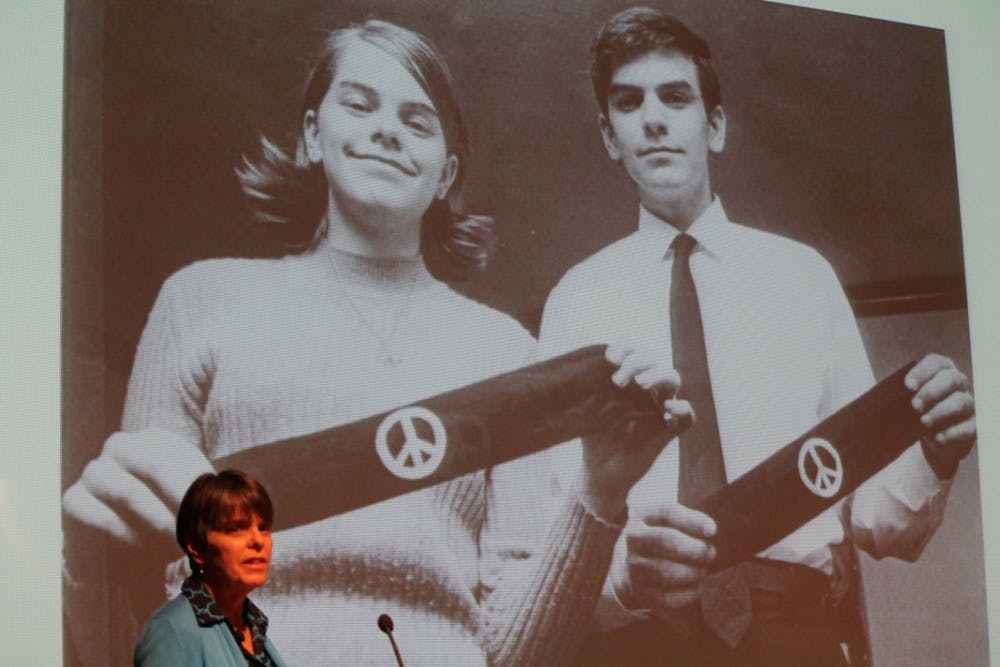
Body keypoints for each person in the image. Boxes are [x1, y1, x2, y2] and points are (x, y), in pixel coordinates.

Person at [62, 19, 686, 666]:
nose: (388, 130)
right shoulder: (201, 300)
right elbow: (143, 585)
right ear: (312, 136)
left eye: (418, 122)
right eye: (360, 105)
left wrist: (600, 494)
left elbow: (512, 650)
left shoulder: (506, 352)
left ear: (445, 175)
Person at [536, 7, 978, 666]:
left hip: (792, 632)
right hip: (636, 640)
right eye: (628, 103)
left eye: (675, 97)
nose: (652, 119)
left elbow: (876, 521)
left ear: (714, 126)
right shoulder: (576, 299)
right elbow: (558, 524)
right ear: (609, 136)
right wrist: (624, 585)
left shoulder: (803, 276)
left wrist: (936, 454)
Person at [134, 470, 287, 666]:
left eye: (263, 527)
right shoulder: (171, 630)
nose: (258, 540)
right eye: (235, 529)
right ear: (197, 548)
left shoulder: (253, 624)